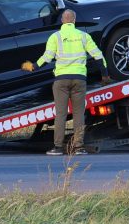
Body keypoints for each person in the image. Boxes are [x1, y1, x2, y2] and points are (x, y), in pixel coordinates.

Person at [21, 9, 111, 155]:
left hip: (61, 81)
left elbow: (47, 57)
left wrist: (33, 66)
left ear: (63, 21)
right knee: (78, 114)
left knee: (61, 114)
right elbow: (99, 56)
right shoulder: (83, 36)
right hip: (79, 80)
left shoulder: (55, 37)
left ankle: (57, 148)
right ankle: (78, 147)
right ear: (74, 21)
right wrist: (105, 76)